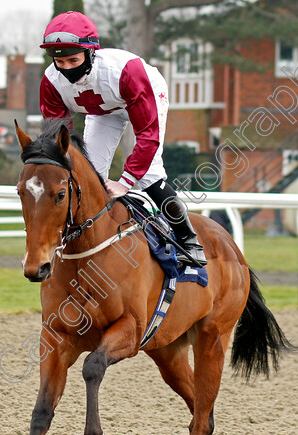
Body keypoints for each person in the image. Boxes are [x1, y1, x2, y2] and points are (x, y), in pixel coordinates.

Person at [38, 11, 206, 267]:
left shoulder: (127, 71)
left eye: (74, 60)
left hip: (142, 94)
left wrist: (126, 182)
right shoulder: (50, 82)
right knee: (87, 173)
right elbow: (60, 138)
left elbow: (148, 137)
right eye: (60, 63)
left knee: (148, 173)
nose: (67, 69)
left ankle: (189, 240)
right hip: (102, 111)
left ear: (91, 52)